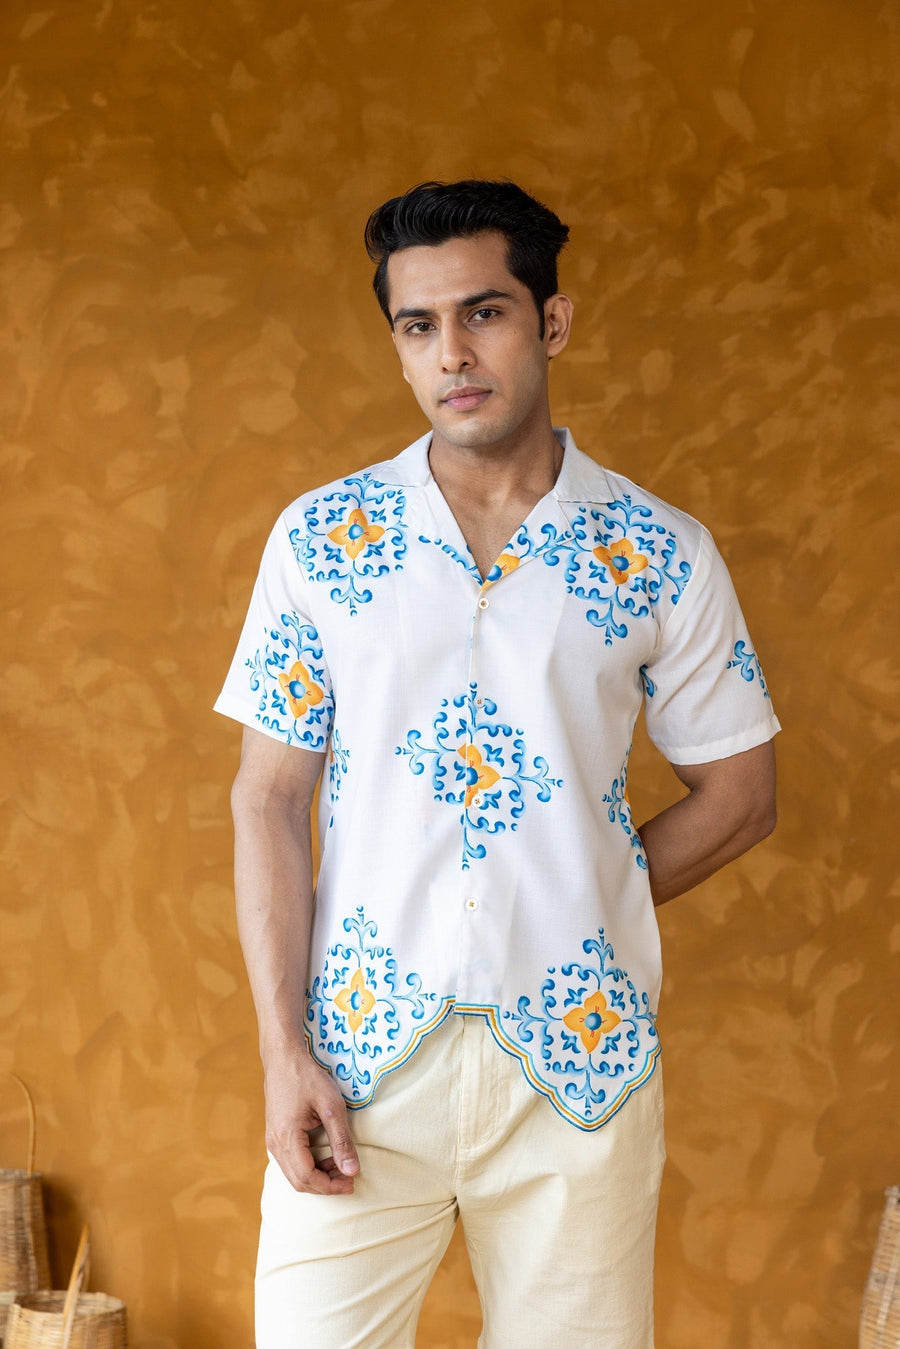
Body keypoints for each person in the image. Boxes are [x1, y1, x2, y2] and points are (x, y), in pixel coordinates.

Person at [215, 179, 780, 1349]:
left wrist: (579, 890)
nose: (452, 354)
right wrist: (282, 1054)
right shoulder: (320, 539)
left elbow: (741, 794)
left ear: (551, 322)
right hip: (358, 1062)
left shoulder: (660, 552)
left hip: (580, 1068)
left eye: (484, 313)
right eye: (418, 325)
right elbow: (268, 797)